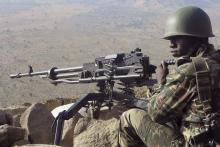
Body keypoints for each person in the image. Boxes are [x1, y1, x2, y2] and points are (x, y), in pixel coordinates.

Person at [118, 6, 220, 147]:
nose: (171, 44)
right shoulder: (216, 60)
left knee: (129, 117)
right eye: (170, 38)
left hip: (199, 143)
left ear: (196, 38)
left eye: (177, 37)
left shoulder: (191, 70)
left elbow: (156, 113)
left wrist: (160, 82)